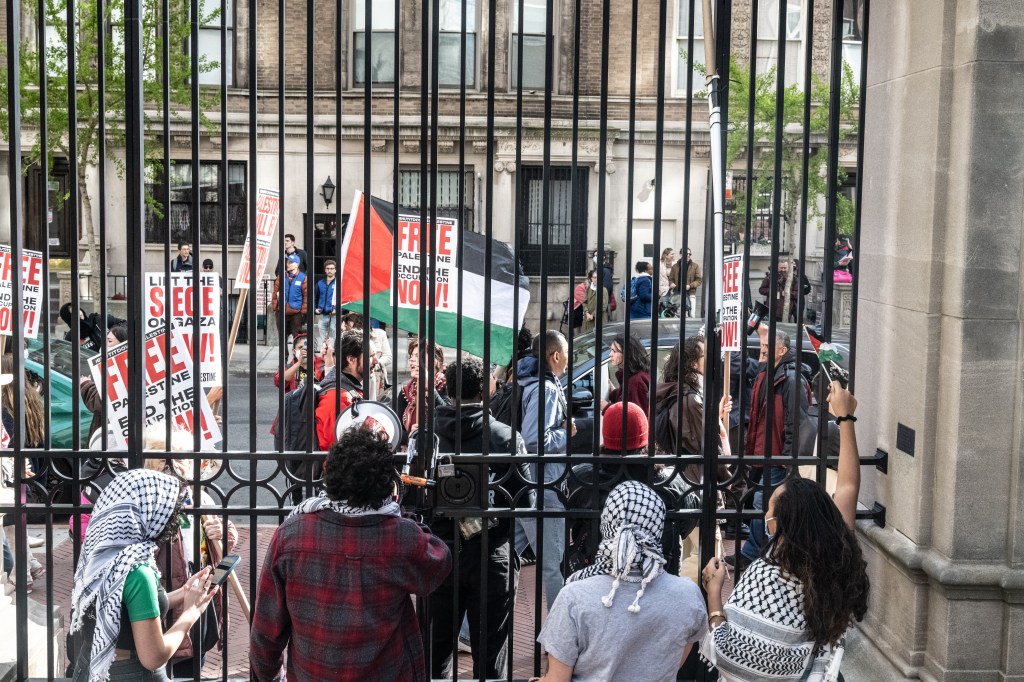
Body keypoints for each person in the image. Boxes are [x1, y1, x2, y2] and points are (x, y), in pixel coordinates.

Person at [249, 428, 452, 682]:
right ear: (384, 482)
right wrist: (403, 516)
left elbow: (265, 632)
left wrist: (268, 676)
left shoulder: (291, 535)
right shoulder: (401, 536)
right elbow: (438, 564)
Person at [701, 384, 868, 682]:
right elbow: (848, 487)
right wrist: (845, 419)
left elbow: (728, 654)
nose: (765, 515)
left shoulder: (765, 580)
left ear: (784, 524)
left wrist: (714, 596)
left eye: (771, 509)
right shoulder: (834, 559)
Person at [536, 481, 707, 682]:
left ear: (606, 524)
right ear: (658, 527)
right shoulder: (687, 595)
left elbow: (557, 679)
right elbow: (676, 661)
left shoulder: (573, 596)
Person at [70, 469, 220, 681]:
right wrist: (191, 613)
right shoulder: (138, 571)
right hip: (131, 672)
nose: (173, 521)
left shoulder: (98, 554)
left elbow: (123, 608)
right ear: (148, 513)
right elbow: (153, 657)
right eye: (169, 512)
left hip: (89, 666)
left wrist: (184, 592)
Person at [430, 356, 527, 679]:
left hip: (438, 552)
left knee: (434, 654)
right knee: (491, 657)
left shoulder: (426, 437)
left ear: (450, 389)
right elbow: (526, 501)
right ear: (484, 391)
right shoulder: (504, 438)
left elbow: (414, 497)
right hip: (492, 552)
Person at [144, 439, 238, 679]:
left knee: (192, 665)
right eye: (164, 461)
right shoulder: (146, 503)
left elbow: (218, 544)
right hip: (159, 599)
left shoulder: (200, 499)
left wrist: (225, 533)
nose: (173, 467)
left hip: (197, 598)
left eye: (179, 460)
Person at [730, 329, 812, 569]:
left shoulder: (791, 379)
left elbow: (796, 423)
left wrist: (787, 460)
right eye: (762, 344)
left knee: (762, 504)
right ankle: (759, 554)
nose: (761, 349)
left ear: (782, 351)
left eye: (767, 346)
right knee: (764, 504)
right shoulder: (765, 373)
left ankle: (757, 555)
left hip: (777, 458)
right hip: (763, 455)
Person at [517, 329, 573, 610]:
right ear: (555, 355)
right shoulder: (546, 388)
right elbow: (535, 440)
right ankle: (559, 635)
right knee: (553, 565)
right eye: (566, 355)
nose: (568, 361)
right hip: (544, 486)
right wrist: (566, 433)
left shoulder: (526, 381)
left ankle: (465, 632)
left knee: (510, 554)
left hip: (523, 484)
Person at [2, 355, 47, 592]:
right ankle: (31, 564)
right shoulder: (30, 400)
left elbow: (9, 445)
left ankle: (22, 577)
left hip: (12, 473)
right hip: (26, 474)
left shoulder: (6, 407)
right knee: (15, 522)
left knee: (10, 525)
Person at [387, 338, 448, 443]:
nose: (411, 359)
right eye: (411, 356)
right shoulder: (406, 391)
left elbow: (447, 415)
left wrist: (429, 387)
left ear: (435, 361)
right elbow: (394, 428)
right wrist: (411, 434)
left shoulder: (446, 385)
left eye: (417, 356)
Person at [314, 330, 365, 451]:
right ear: (351, 360)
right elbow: (333, 449)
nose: (376, 361)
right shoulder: (338, 397)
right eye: (371, 356)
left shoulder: (347, 391)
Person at [80, 322, 130, 441]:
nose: (105, 345)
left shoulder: (121, 370)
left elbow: (100, 403)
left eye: (110, 341)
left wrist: (86, 385)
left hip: (113, 437)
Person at [339, 312, 392, 400]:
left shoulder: (380, 334)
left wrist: (373, 365)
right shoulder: (348, 341)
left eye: (352, 326)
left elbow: (388, 357)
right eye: (348, 328)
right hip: (358, 373)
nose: (351, 330)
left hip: (375, 374)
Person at [602, 333, 652, 415]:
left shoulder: (636, 382)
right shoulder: (633, 377)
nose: (610, 354)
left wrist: (606, 408)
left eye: (614, 351)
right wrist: (614, 392)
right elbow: (627, 399)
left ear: (626, 354)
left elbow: (634, 418)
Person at [272, 253, 308, 337]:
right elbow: (275, 292)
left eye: (291, 262)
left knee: (297, 337)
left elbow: (306, 296)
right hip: (282, 310)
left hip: (296, 312)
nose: (288, 264)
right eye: (287, 262)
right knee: (282, 337)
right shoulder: (281, 276)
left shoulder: (303, 277)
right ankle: (284, 351)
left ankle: (296, 350)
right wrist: (275, 308)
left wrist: (303, 312)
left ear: (297, 264)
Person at [669, 247, 702, 317]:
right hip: (677, 294)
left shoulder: (695, 266)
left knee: (691, 315)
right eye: (686, 254)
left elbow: (699, 280)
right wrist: (671, 283)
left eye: (689, 254)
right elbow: (670, 279)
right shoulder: (675, 266)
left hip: (690, 294)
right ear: (681, 255)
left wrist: (690, 286)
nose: (688, 255)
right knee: (677, 315)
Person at [314, 259, 339, 347]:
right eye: (328, 268)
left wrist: (338, 310)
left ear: (335, 270)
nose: (330, 270)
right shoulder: (320, 283)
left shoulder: (338, 283)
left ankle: (336, 354)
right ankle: (325, 354)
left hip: (334, 315)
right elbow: (314, 297)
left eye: (332, 268)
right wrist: (314, 308)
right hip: (322, 315)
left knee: (337, 337)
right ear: (325, 270)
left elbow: (343, 299)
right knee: (323, 338)